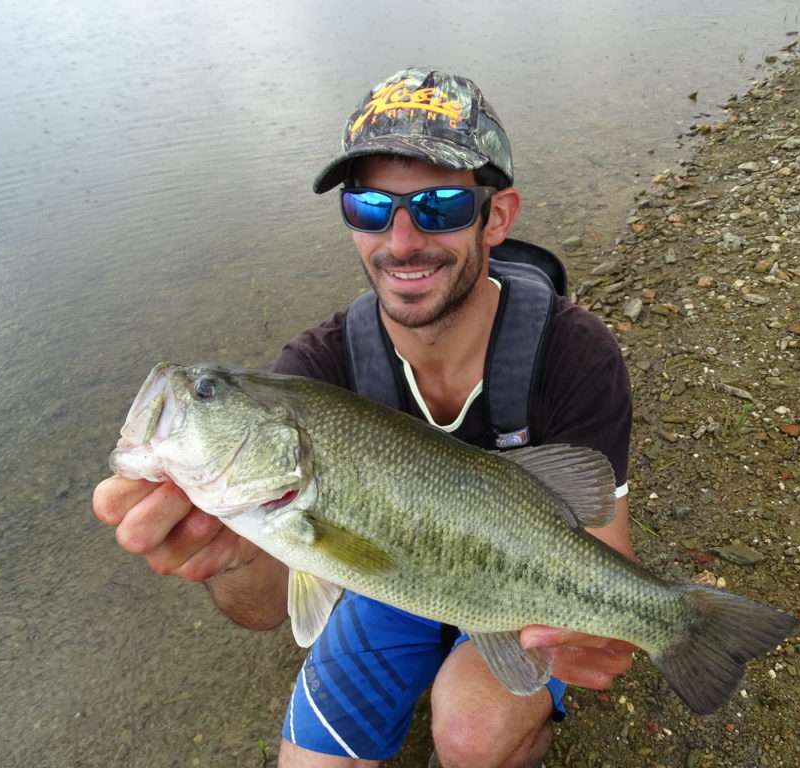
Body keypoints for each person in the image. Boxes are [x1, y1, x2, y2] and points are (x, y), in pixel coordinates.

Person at [94, 67, 635, 768]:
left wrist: (613, 628)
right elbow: (267, 608)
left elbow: (605, 555)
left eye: (441, 205)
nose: (401, 240)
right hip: (387, 586)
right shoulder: (313, 372)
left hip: (520, 592)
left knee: (474, 737)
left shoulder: (574, 354)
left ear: (497, 216)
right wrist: (232, 557)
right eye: (371, 206)